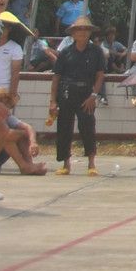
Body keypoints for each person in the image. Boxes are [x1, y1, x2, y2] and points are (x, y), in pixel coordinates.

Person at [49, 15, 105, 176]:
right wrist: (53, 101)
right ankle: (66, 163)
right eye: (79, 30)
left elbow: (100, 75)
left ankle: (91, 163)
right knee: (64, 127)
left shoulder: (96, 51)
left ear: (90, 33)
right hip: (67, 91)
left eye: (86, 30)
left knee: (88, 127)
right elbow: (56, 77)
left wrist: (93, 95)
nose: (82, 32)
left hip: (86, 92)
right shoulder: (66, 52)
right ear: (73, 34)